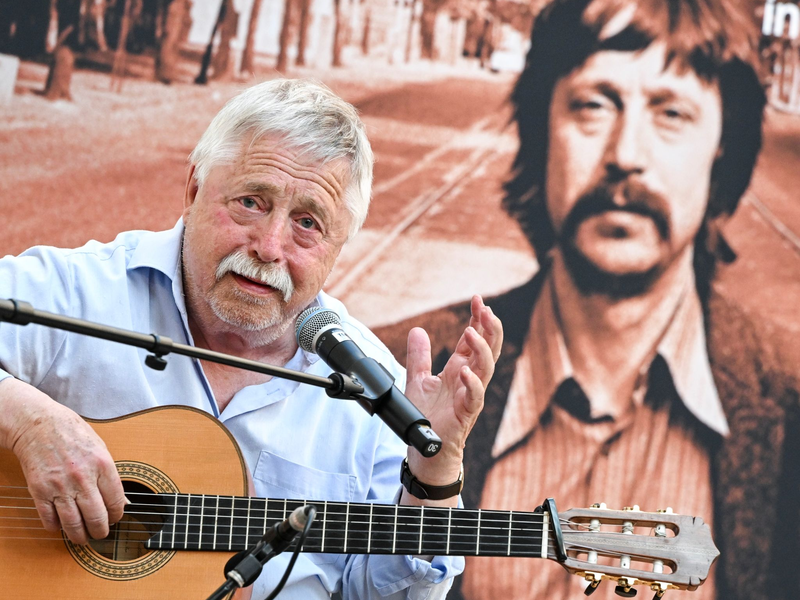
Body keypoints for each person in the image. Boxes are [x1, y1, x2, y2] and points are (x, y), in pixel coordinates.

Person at [0, 78, 503, 600]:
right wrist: (27, 421)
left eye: (307, 223)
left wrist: (435, 472)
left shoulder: (374, 394)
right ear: (193, 190)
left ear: (338, 248)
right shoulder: (79, 292)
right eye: (251, 202)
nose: (269, 246)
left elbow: (385, 595)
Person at [376, 0, 800, 599]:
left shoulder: (788, 403)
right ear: (541, 130)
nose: (627, 154)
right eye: (593, 105)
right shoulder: (388, 379)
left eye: (671, 112)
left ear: (722, 149)